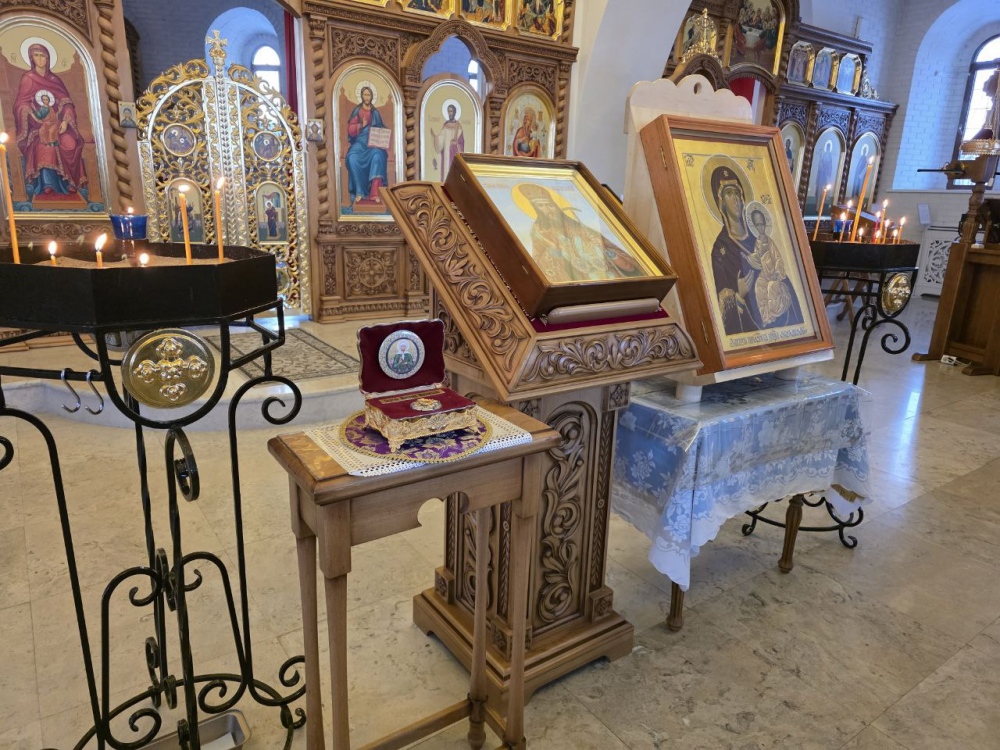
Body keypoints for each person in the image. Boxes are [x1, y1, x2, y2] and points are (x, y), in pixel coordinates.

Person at [516, 182, 644, 283]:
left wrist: (605, 250)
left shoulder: (577, 225)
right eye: (541, 206)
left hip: (605, 277)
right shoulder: (539, 232)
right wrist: (555, 251)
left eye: (549, 205)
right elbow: (539, 262)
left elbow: (626, 263)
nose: (548, 210)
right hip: (577, 281)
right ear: (536, 209)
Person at [14, 43, 88, 203]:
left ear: (48, 58)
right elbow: (20, 104)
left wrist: (66, 121)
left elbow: (67, 103)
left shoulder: (55, 80)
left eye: (43, 56)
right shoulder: (28, 78)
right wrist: (30, 113)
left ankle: (70, 181)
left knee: (70, 143)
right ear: (31, 58)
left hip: (59, 125)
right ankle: (48, 184)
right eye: (36, 56)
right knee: (44, 147)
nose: (40, 59)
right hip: (38, 126)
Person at [708, 166, 761, 335]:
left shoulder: (758, 238)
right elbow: (721, 302)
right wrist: (738, 294)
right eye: (729, 194)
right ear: (721, 202)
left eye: (737, 193)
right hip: (747, 323)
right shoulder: (720, 249)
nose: (736, 199)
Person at [747, 207, 804, 328]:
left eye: (762, 224)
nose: (760, 227)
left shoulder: (770, 242)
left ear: (765, 224)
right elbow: (758, 257)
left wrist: (777, 273)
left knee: (771, 286)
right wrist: (752, 258)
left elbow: (777, 258)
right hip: (764, 273)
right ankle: (766, 317)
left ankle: (773, 315)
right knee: (758, 286)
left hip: (773, 273)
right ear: (755, 226)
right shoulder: (757, 242)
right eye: (757, 225)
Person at [345, 85, 389, 205]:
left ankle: (375, 193)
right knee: (352, 157)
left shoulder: (375, 112)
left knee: (378, 156)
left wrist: (382, 133)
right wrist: (361, 125)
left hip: (373, 142)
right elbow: (350, 129)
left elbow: (381, 128)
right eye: (365, 95)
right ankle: (360, 192)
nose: (367, 97)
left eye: (368, 95)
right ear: (361, 96)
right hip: (360, 142)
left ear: (372, 96)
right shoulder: (357, 111)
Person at [431, 104, 464, 181]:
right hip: (446, 155)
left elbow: (461, 143)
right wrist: (435, 137)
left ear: (454, 112)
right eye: (448, 111)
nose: (450, 113)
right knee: (446, 175)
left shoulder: (458, 126)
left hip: (454, 156)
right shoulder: (445, 125)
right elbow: (441, 140)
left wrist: (455, 144)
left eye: (451, 111)